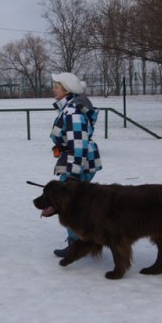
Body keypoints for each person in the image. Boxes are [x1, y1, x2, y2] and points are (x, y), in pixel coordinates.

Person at [48, 72, 102, 257]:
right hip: (78, 162)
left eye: (57, 86)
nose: (53, 89)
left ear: (66, 89)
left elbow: (78, 144)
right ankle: (86, 241)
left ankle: (77, 244)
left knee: (70, 205)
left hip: (78, 164)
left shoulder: (73, 112)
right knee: (80, 204)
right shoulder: (70, 107)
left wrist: (72, 175)